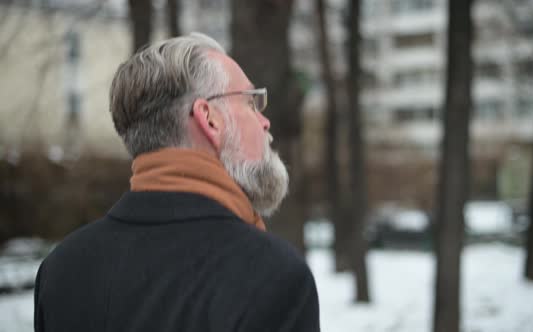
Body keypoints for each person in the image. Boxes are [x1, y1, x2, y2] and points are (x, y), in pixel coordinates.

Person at [34, 33, 320, 332]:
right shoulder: (272, 277)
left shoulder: (62, 269)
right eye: (251, 102)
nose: (265, 121)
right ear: (209, 119)